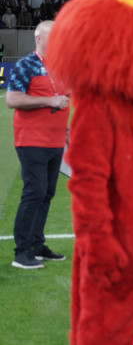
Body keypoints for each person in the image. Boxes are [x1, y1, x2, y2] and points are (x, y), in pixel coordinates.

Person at [6, 20, 70, 269]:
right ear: (39, 38)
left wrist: (64, 127)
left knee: (46, 194)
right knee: (34, 193)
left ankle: (36, 244)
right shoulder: (26, 64)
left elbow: (63, 99)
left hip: (55, 141)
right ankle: (21, 252)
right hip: (31, 140)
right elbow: (12, 99)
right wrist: (49, 101)